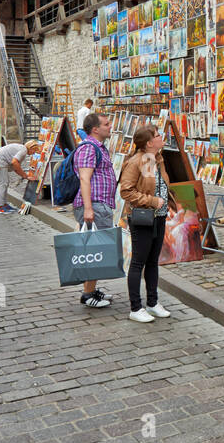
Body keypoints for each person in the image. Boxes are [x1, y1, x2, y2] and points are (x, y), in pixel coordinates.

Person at [119, 127, 175, 323]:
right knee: (138, 262)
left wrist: (168, 204)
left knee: (153, 261)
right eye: (158, 136)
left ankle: (152, 303)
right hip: (143, 216)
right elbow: (126, 191)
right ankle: (135, 307)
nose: (162, 138)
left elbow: (158, 186)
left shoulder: (155, 159)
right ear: (149, 143)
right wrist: (152, 201)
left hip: (158, 217)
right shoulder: (137, 161)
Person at [73, 112, 118, 310]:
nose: (110, 126)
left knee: (96, 250)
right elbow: (85, 178)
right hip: (95, 205)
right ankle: (87, 294)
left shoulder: (99, 147)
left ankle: (91, 290)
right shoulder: (88, 148)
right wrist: (89, 208)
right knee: (96, 251)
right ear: (95, 129)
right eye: (106, 124)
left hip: (100, 205)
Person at [0, 139, 40, 213]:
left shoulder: (22, 148)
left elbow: (15, 166)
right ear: (31, 148)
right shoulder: (23, 151)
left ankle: (4, 204)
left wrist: (24, 175)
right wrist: (25, 176)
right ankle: (1, 207)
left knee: (5, 183)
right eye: (34, 151)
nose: (33, 153)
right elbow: (15, 163)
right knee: (3, 183)